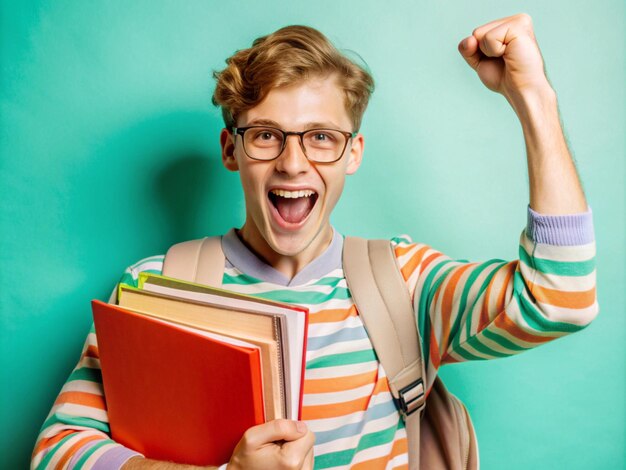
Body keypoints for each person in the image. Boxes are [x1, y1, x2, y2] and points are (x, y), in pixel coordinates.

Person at [32, 14, 598, 470]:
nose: (293, 163)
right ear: (231, 151)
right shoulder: (156, 287)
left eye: (321, 137)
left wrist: (533, 97)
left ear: (352, 153)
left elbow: (560, 298)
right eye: (266, 136)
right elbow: (58, 452)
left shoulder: (403, 281)